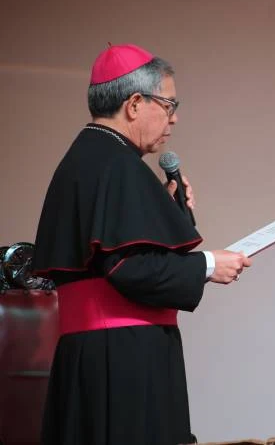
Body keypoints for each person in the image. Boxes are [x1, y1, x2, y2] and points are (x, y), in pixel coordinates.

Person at [33, 44, 252, 445]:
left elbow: (120, 253)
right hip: (123, 360)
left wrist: (168, 214)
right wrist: (207, 265)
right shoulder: (117, 164)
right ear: (135, 103)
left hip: (97, 353)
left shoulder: (91, 156)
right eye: (169, 104)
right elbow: (129, 269)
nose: (175, 117)